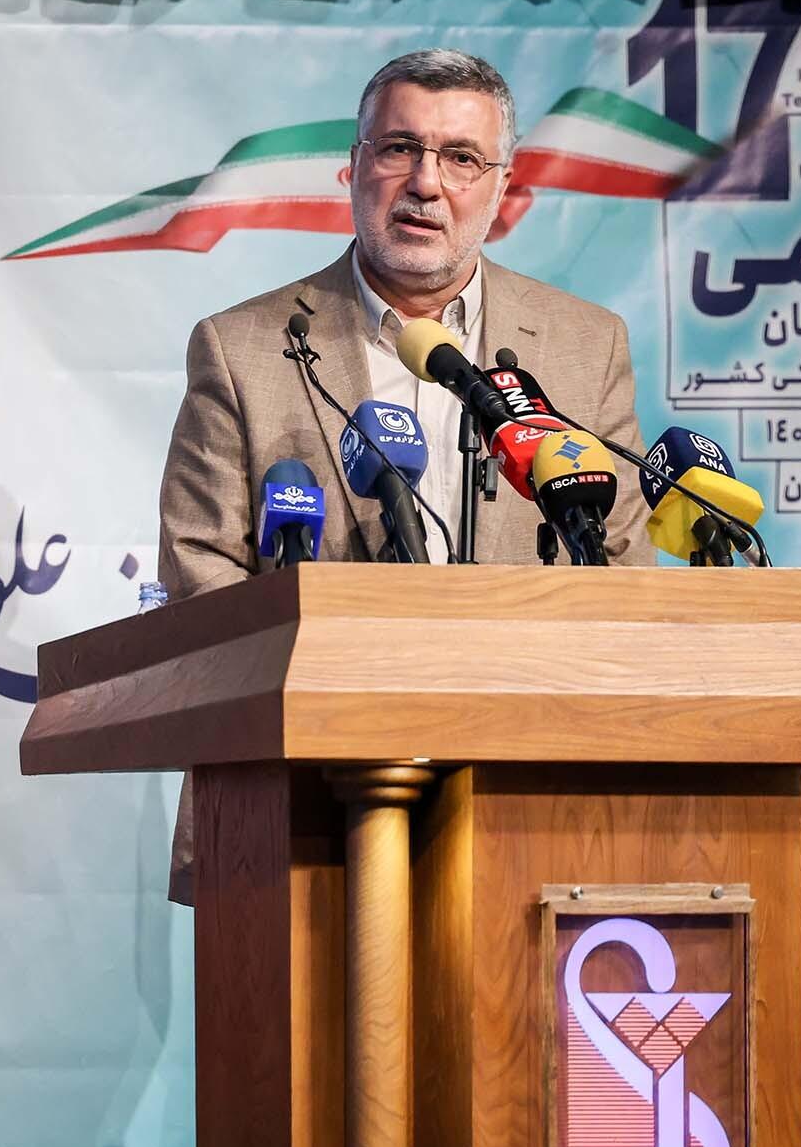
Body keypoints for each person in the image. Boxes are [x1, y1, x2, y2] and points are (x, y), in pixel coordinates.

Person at [156, 49, 656, 904]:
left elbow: (622, 574)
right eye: (399, 149)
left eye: (461, 158)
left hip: (532, 807)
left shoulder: (584, 346)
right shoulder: (242, 348)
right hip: (301, 807)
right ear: (353, 167)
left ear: (502, 189)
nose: (426, 183)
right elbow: (202, 582)